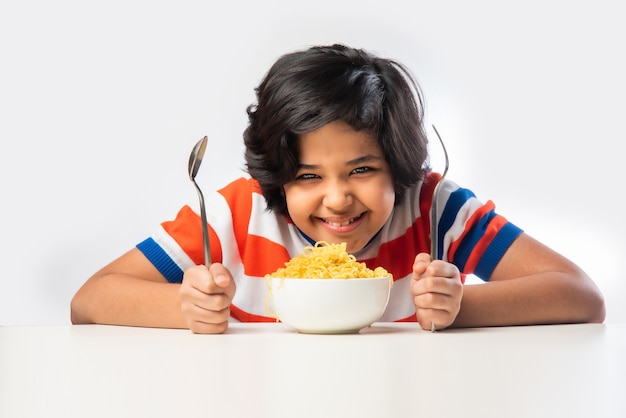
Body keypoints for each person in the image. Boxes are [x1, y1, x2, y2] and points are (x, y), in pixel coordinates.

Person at [70, 44, 605, 333]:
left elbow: (580, 295)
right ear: (275, 177)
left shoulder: (433, 209)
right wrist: (185, 308)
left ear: (399, 166)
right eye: (307, 176)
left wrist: (460, 306)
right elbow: (90, 300)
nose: (336, 198)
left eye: (362, 170)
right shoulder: (240, 211)